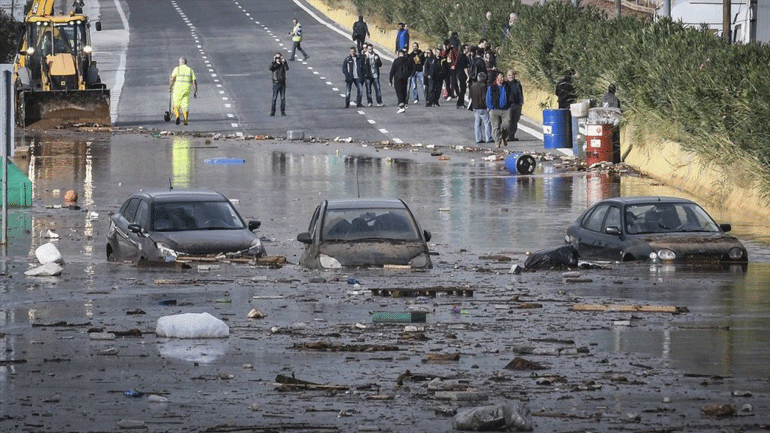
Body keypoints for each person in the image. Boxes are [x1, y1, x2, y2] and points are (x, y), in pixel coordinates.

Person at [169, 57, 198, 125]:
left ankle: (177, 116)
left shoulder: (177, 69)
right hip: (187, 89)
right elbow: (194, 81)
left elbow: (172, 79)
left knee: (176, 104)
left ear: (180, 62)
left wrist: (170, 86)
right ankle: (185, 120)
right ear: (186, 63)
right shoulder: (190, 70)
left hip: (177, 89)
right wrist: (195, 91)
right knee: (185, 105)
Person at [486, 72, 512, 148]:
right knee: (496, 127)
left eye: (503, 77)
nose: (502, 79)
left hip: (505, 109)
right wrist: (490, 108)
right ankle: (497, 141)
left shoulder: (507, 86)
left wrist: (510, 104)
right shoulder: (492, 86)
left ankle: (504, 137)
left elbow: (511, 96)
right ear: (496, 78)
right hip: (494, 109)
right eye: (500, 77)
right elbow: (488, 97)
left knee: (506, 125)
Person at [470, 72, 492, 144]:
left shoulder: (473, 85)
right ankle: (488, 138)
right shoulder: (483, 86)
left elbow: (470, 96)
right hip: (482, 107)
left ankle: (478, 138)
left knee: (477, 123)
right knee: (487, 122)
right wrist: (488, 106)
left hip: (475, 107)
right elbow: (484, 97)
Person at [389, 49, 413, 113]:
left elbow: (392, 71)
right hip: (405, 78)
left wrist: (390, 80)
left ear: (398, 54)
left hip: (397, 78)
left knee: (399, 92)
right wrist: (408, 75)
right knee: (404, 91)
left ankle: (401, 106)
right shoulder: (407, 60)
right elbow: (412, 68)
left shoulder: (396, 61)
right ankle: (404, 103)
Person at [506, 69, 524, 141]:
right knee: (508, 121)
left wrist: (521, 102)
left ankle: (511, 136)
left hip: (517, 104)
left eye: (512, 75)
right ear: (507, 76)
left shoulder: (517, 83)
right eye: (509, 75)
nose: (511, 76)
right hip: (508, 105)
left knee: (515, 121)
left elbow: (520, 93)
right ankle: (506, 136)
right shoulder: (505, 84)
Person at [454, 43, 469, 108]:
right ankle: (459, 103)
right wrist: (468, 76)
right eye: (467, 48)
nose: (468, 50)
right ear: (464, 49)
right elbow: (465, 67)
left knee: (463, 89)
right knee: (462, 89)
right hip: (462, 74)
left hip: (459, 73)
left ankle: (460, 103)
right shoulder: (463, 57)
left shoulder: (460, 56)